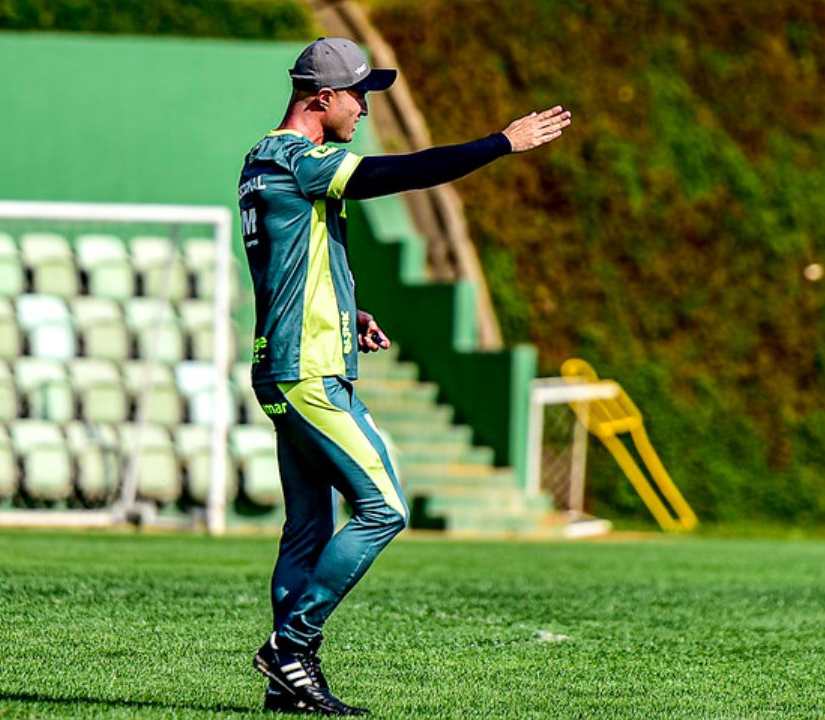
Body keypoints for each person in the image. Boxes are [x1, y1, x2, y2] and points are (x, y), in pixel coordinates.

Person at [237, 37, 571, 716]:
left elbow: (287, 258)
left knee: (306, 528)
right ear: (321, 99)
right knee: (385, 507)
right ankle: (290, 648)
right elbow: (410, 171)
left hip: (286, 361)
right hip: (307, 369)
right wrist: (499, 143)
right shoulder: (303, 159)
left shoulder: (261, 161)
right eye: (358, 95)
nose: (364, 108)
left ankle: (288, 688)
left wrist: (347, 306)